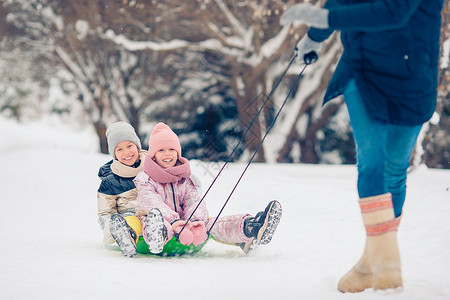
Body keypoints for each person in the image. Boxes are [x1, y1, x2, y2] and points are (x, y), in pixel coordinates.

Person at [280, 0, 443, 293]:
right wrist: (314, 36)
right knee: (373, 163)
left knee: (395, 168)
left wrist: (325, 17)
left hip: (412, 75)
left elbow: (396, 11)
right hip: (363, 72)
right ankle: (386, 265)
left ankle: (369, 263)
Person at [134, 122, 282, 254]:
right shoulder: (146, 179)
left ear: (178, 152)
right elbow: (150, 201)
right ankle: (157, 237)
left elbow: (194, 201)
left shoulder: (185, 179)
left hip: (187, 225)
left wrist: (196, 222)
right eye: (161, 150)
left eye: (171, 149)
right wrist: (174, 222)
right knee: (153, 219)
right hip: (163, 223)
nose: (167, 154)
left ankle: (252, 227)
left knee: (211, 223)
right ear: (153, 155)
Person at [97, 121, 147, 257]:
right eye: (119, 149)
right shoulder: (110, 182)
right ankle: (126, 236)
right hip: (128, 219)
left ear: (137, 147)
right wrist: (111, 227)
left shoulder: (152, 167)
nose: (126, 152)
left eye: (129, 146)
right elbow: (104, 213)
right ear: (114, 154)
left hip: (153, 215)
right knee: (128, 220)